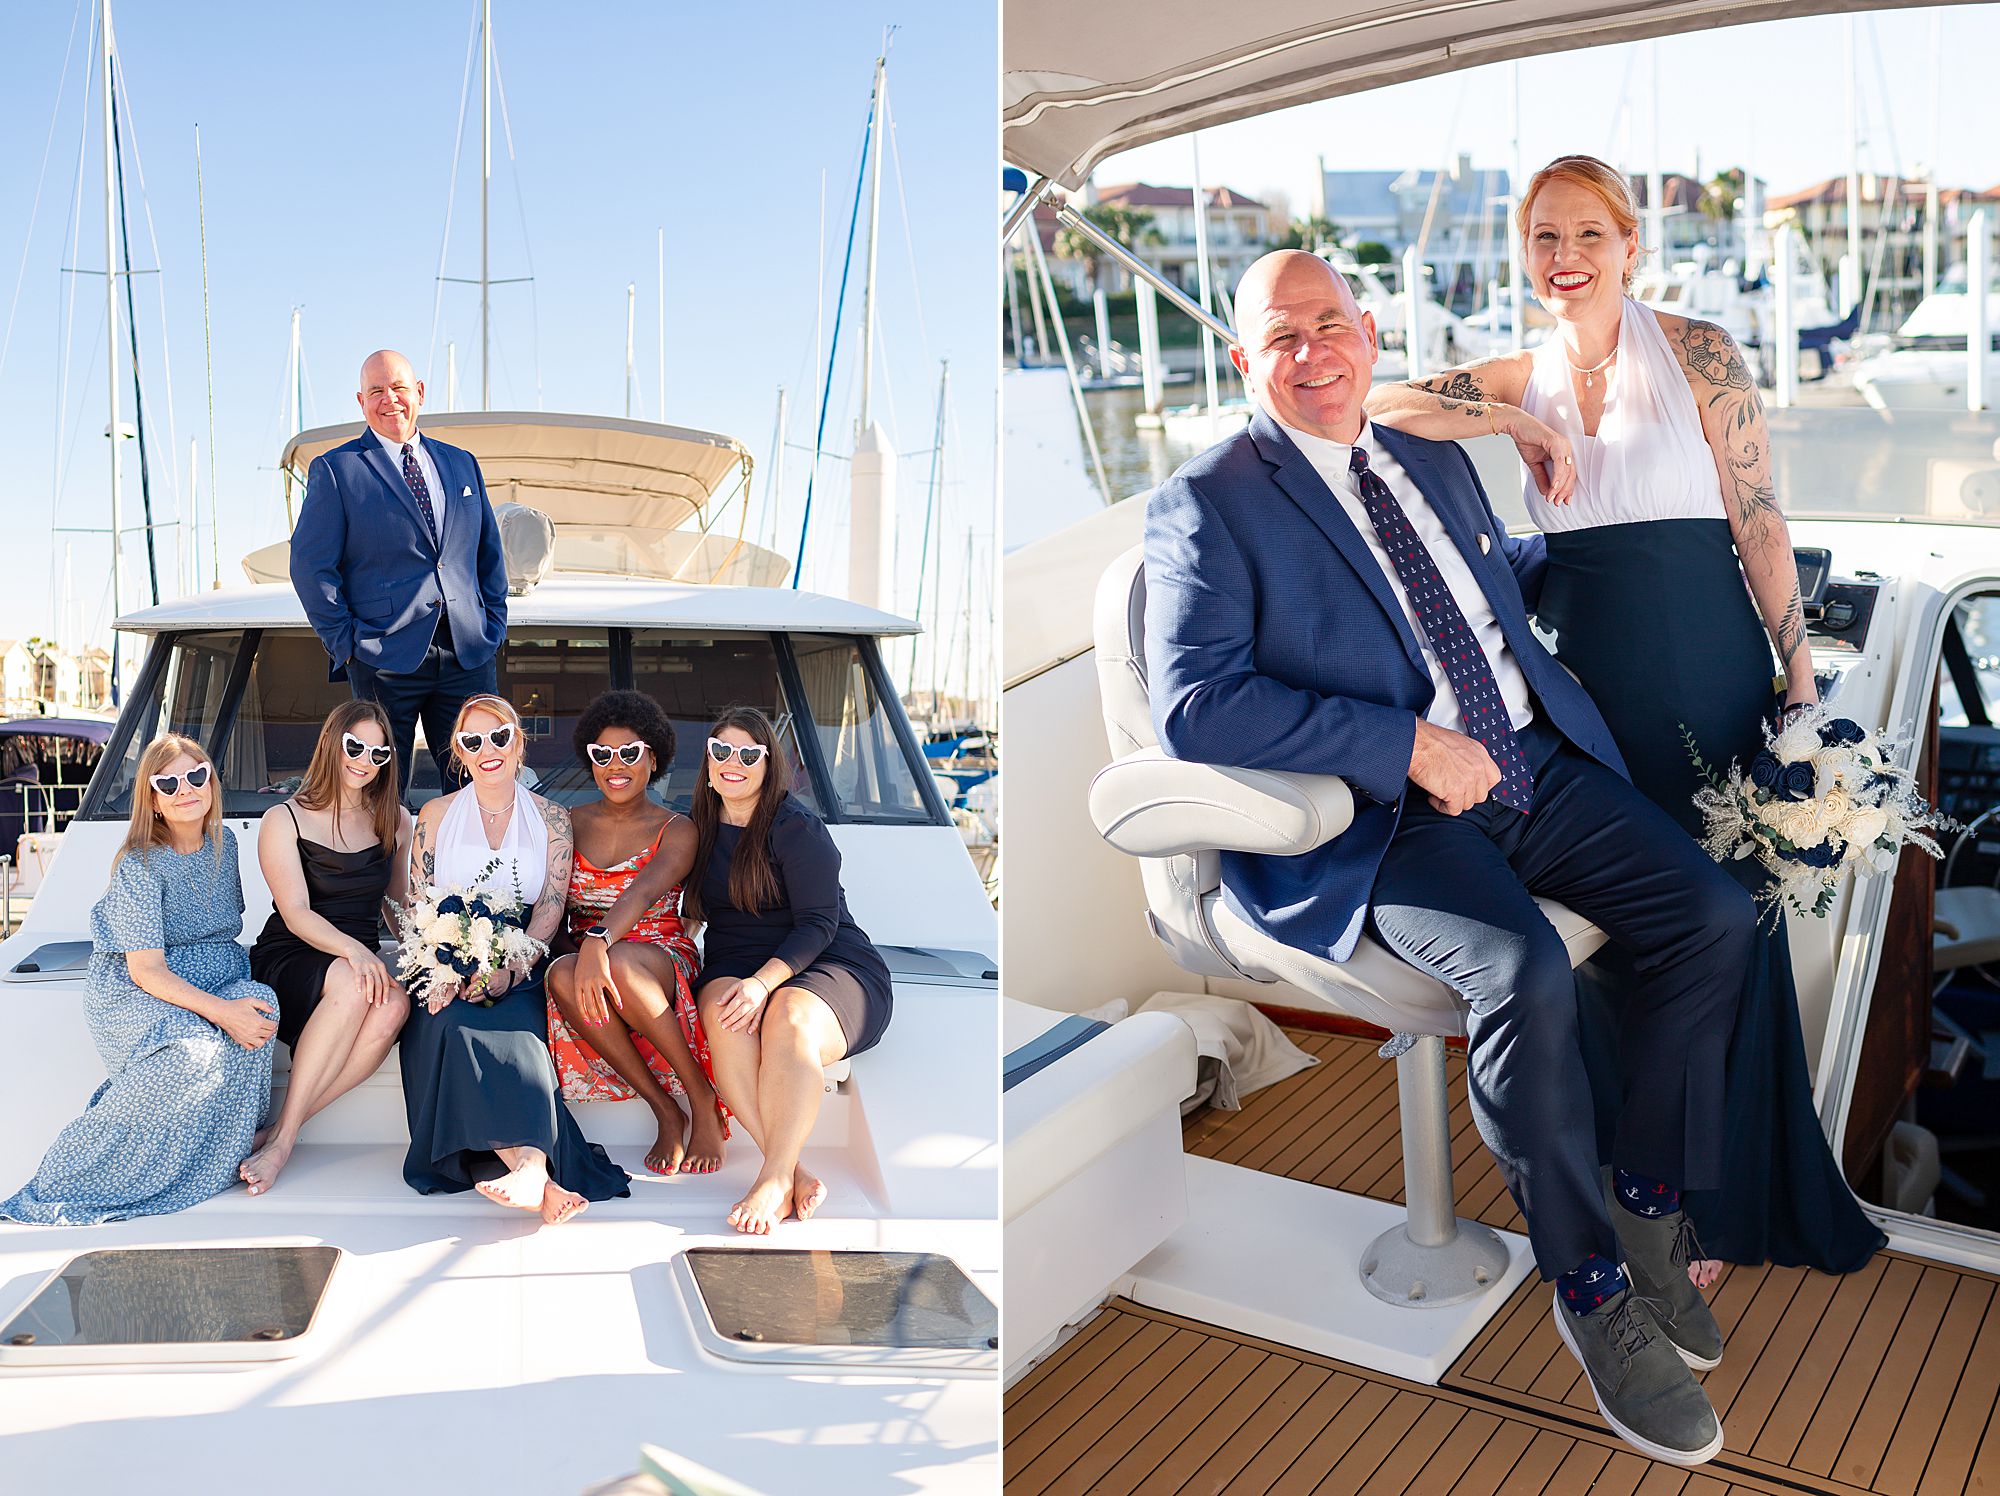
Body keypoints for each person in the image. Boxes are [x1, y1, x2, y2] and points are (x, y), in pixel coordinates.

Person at [1144, 247, 1762, 1466]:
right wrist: (1405, 744)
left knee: (1712, 917)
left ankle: (1643, 1212)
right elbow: (1194, 705)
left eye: (1330, 325)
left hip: (1530, 761)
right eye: (1281, 337)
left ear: (1369, 335)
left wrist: (1645, 557)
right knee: (1523, 971)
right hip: (1383, 816)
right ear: (1240, 360)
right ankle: (1587, 1287)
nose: (1312, 353)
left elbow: (1487, 589)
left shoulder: (1427, 455)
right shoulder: (1210, 498)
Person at [1365, 154, 1886, 1280]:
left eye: (1586, 236)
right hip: (1590, 694)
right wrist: (1514, 418)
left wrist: (1798, 697)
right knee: (1620, 948)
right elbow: (1374, 401)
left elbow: (1757, 522)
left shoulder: (1699, 350)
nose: (1564, 259)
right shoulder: (1520, 370)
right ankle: (1644, 1187)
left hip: (1707, 666)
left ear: (1627, 243)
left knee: (1727, 931)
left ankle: (1722, 1195)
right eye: (1543, 238)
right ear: (1522, 250)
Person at [0, 736, 278, 1223]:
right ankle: (73, 1177)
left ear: (212, 780)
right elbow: (145, 969)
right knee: (194, 1050)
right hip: (139, 991)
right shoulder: (140, 864)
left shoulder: (226, 843)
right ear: (151, 797)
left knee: (261, 1006)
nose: (184, 789)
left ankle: (227, 1143)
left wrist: (232, 1007)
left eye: (195, 776)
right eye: (167, 782)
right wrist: (219, 1012)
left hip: (212, 977)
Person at [400, 694, 629, 1223]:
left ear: (518, 742)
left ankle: (528, 1170)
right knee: (453, 1027)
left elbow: (549, 905)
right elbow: (417, 901)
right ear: (458, 751)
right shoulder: (434, 815)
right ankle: (535, 1172)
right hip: (442, 964)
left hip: (521, 958)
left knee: (521, 1040)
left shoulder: (552, 818)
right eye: (472, 741)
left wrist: (511, 969)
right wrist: (440, 972)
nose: (488, 750)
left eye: (498, 737)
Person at [685, 708, 893, 1234]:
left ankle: (773, 1177)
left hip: (830, 962)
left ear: (767, 764)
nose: (735, 763)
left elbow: (819, 923)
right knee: (721, 1013)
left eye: (749, 754)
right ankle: (789, 1169)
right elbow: (688, 912)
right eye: (722, 751)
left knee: (788, 1016)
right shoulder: (698, 827)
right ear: (708, 761)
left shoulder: (795, 827)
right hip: (734, 962)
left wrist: (762, 984)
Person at [290, 348, 508, 797]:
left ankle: (461, 870)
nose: (388, 399)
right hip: (382, 656)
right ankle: (390, 869)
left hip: (468, 652)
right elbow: (311, 567)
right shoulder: (337, 470)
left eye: (398, 387)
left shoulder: (461, 463)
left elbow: (488, 552)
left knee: (477, 789)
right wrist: (347, 643)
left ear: (420, 393)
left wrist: (494, 622)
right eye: (375, 391)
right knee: (380, 794)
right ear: (361, 401)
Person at [545, 689, 728, 1176]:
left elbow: (642, 895)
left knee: (618, 962)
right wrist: (578, 950)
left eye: (629, 753)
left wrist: (598, 943)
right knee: (560, 975)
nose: (614, 765)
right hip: (590, 954)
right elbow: (553, 907)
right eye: (601, 754)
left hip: (660, 952)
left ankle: (700, 1097)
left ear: (652, 758)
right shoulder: (568, 822)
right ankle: (664, 1109)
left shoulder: (677, 828)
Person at [241, 701, 415, 1195]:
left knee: (394, 1005)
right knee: (356, 983)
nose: (365, 760)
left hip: (352, 961)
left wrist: (433, 958)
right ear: (331, 743)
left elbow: (397, 902)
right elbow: (295, 911)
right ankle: (285, 1142)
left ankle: (282, 1128)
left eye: (379, 753)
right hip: (292, 953)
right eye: (355, 747)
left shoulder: (394, 819)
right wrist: (358, 955)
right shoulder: (284, 818)